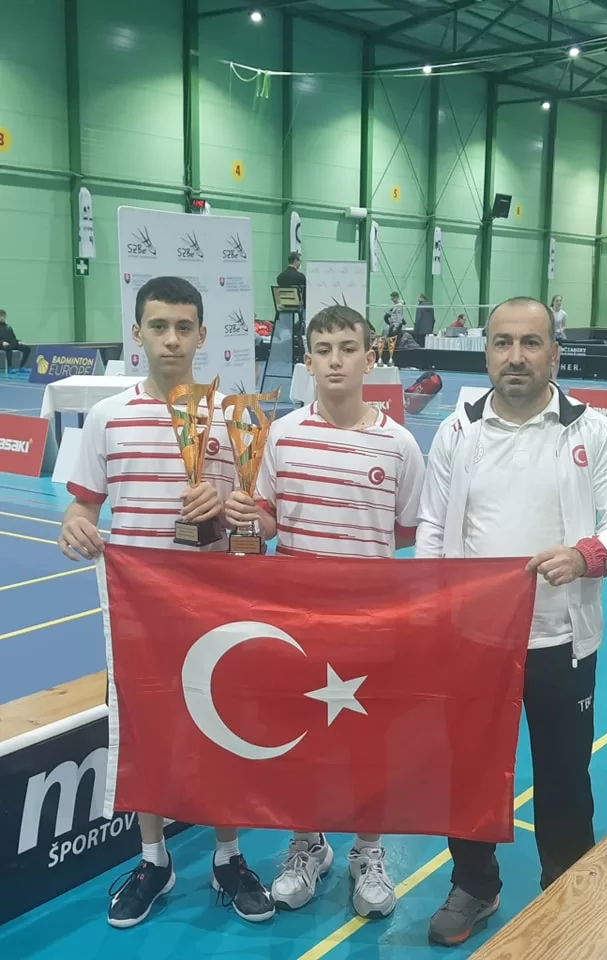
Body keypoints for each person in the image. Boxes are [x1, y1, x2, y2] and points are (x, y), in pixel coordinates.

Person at [416, 296, 607, 947]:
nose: (515, 356)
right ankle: (474, 884)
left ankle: (566, 883)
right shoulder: (457, 430)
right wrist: (436, 615)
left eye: (530, 343)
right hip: (474, 640)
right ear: (486, 352)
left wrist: (585, 554)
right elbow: (431, 527)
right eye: (503, 343)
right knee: (470, 772)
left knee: (565, 776)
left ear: (554, 353)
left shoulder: (591, 431)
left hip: (561, 641)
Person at [58, 276, 274, 929]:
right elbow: (81, 507)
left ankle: (228, 856)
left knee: (224, 727)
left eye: (184, 327)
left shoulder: (234, 416)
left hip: (217, 603)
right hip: (140, 611)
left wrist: (231, 507)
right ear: (138, 333)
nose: (172, 339)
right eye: (159, 326)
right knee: (146, 731)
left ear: (203, 334)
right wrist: (74, 529)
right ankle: (154, 860)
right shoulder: (107, 417)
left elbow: (258, 519)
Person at [224, 304, 425, 921]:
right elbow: (270, 522)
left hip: (370, 626)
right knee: (304, 740)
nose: (336, 360)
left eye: (348, 348)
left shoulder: (400, 444)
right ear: (307, 361)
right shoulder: (281, 435)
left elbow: (407, 533)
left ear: (370, 356)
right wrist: (249, 517)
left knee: (368, 743)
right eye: (323, 349)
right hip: (298, 625)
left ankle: (368, 850)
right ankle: (307, 844)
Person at [550, 295, 567, 379]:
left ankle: (554, 379)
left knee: (557, 359)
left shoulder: (563, 314)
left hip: (558, 337)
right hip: (550, 337)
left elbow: (564, 325)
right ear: (553, 302)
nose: (559, 302)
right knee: (549, 358)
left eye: (560, 301)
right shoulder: (549, 312)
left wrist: (561, 330)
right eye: (557, 301)